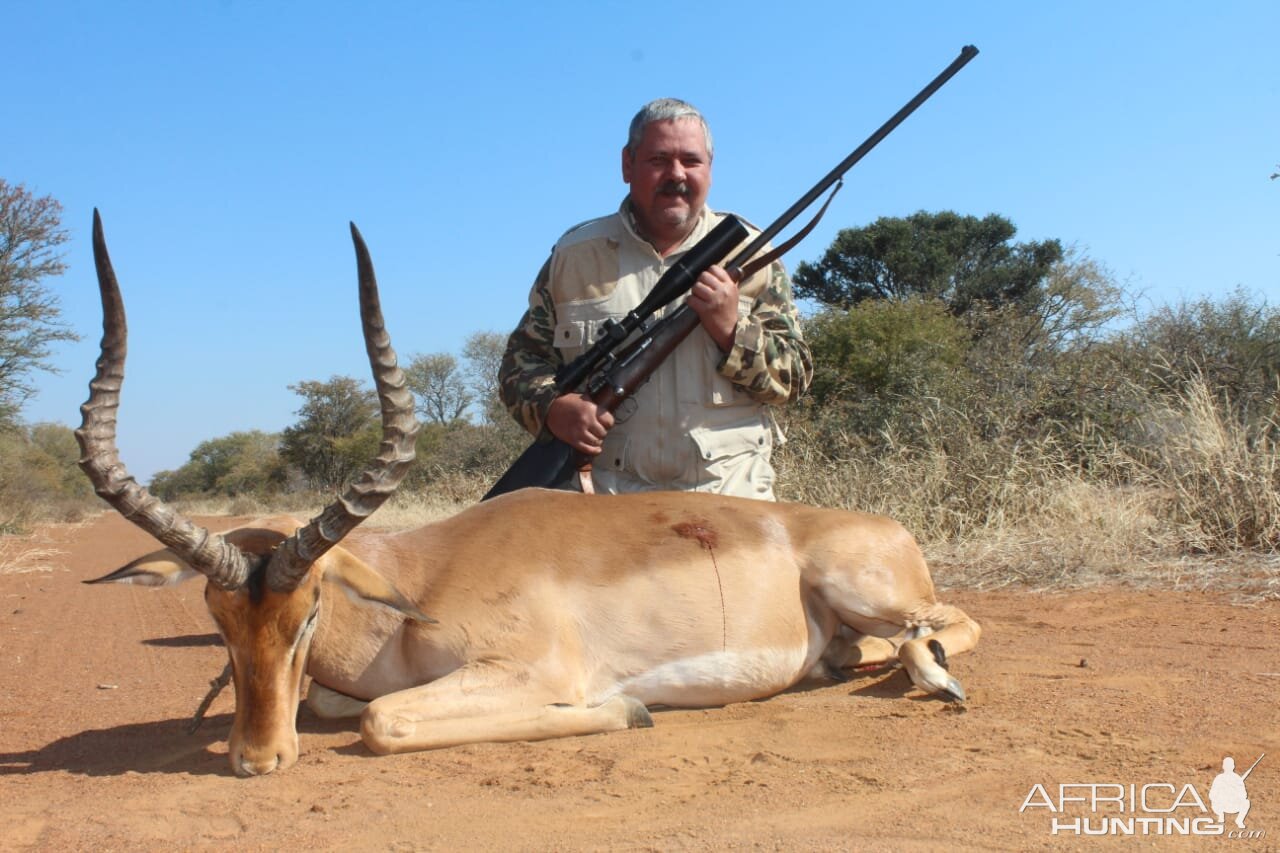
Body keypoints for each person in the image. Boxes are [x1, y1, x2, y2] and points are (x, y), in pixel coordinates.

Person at [499, 98, 812, 500]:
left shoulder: (754, 255)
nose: (676, 174)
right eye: (659, 159)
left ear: (710, 170)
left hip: (731, 499)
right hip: (605, 501)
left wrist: (732, 331)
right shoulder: (574, 256)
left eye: (691, 161)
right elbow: (518, 367)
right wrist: (553, 410)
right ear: (627, 166)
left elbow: (795, 379)